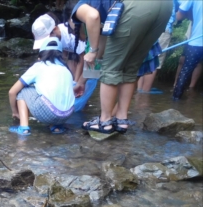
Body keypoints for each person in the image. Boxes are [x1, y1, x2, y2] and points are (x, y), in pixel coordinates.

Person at [73, 0, 172, 134]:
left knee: (110, 69)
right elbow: (101, 48)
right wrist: (82, 81)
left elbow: (92, 17)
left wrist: (93, 50)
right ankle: (121, 120)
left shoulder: (79, 6)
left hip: (137, 7)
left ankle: (105, 121)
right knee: (130, 68)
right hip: (165, 7)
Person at [9, 37, 75, 136]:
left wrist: (15, 111)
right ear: (61, 55)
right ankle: (56, 127)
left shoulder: (39, 66)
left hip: (48, 113)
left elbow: (12, 92)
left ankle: (24, 128)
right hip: (67, 114)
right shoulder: (66, 70)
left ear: (41, 54)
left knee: (22, 90)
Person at [137, 0, 179, 94]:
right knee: (155, 61)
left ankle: (138, 90)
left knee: (143, 58)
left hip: (147, 26)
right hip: (163, 29)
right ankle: (144, 93)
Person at [32, 13, 86, 81]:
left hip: (88, 52)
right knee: (69, 75)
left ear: (55, 29)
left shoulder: (71, 35)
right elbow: (63, 54)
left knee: (83, 78)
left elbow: (81, 58)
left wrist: (76, 81)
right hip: (73, 51)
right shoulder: (57, 37)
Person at [173, 0, 203, 99]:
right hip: (197, 40)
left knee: (185, 71)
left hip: (196, 41)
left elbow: (181, 13)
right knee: (186, 71)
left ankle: (176, 100)